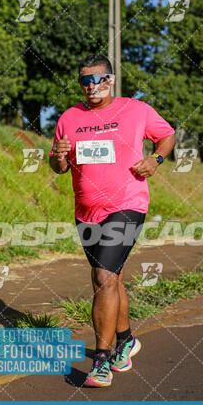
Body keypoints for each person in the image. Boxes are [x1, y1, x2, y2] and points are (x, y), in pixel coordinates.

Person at [49, 54, 175, 387]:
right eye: (84, 80)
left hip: (128, 204)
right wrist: (59, 157)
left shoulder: (136, 110)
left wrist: (156, 159)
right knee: (110, 280)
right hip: (86, 210)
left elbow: (167, 135)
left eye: (97, 79)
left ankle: (101, 361)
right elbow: (59, 167)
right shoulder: (69, 118)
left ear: (111, 80)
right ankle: (126, 341)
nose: (90, 86)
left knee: (103, 276)